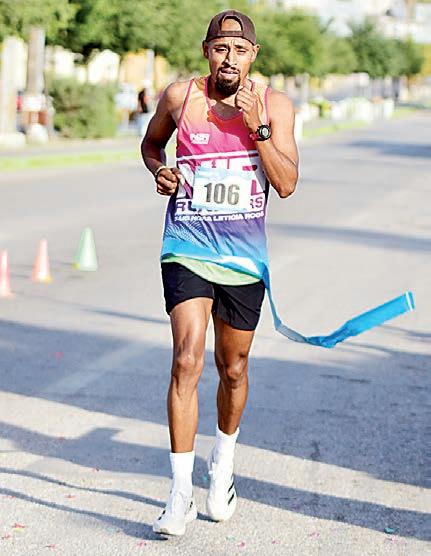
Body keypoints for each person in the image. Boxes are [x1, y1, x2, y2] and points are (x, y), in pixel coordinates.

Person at [141, 9, 298, 536]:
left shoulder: (275, 105)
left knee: (233, 367)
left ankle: (222, 464)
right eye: (220, 48)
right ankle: (179, 493)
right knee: (186, 358)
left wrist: (258, 128)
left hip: (242, 257)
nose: (229, 58)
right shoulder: (179, 98)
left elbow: (286, 183)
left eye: (240, 50)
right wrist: (161, 169)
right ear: (207, 51)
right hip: (186, 245)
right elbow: (151, 144)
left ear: (254, 56)